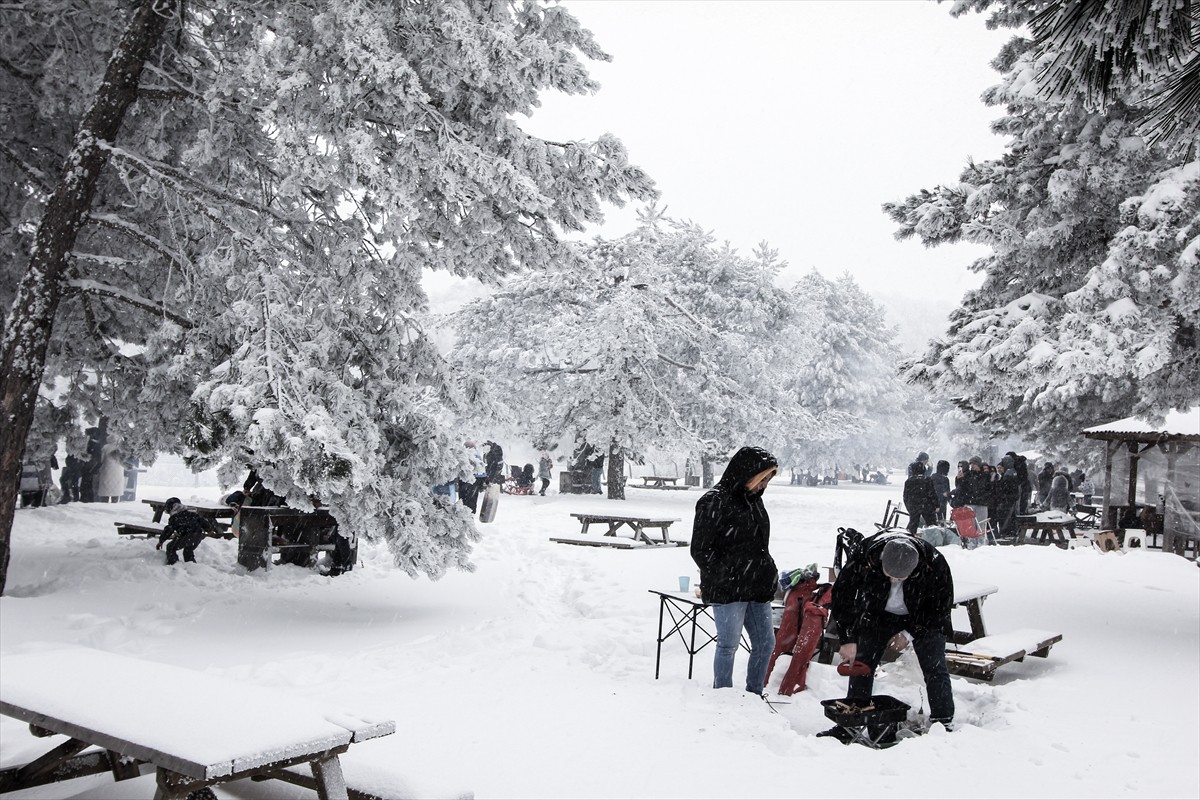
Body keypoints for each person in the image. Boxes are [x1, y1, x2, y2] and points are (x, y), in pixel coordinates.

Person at [825, 530, 955, 738]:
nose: (894, 580)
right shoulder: (865, 555)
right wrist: (847, 639)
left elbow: (940, 608)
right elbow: (843, 596)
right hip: (877, 614)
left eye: (900, 577)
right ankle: (852, 723)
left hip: (921, 617)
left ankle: (943, 722)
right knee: (862, 665)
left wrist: (909, 633)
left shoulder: (934, 564)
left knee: (934, 667)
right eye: (889, 575)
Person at [689, 446, 779, 694]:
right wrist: (727, 576)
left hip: (757, 586)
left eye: (768, 480)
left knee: (764, 643)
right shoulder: (713, 501)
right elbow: (701, 550)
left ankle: (754, 694)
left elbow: (759, 545)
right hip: (728, 588)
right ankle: (724, 697)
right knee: (728, 644)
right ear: (747, 474)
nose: (764, 486)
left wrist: (767, 572)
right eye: (762, 479)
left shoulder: (754, 502)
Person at [156, 497, 220, 565]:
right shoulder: (191, 513)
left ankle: (174, 565)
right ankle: (192, 566)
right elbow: (202, 520)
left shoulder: (174, 518)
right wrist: (209, 530)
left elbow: (168, 530)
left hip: (187, 536)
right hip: (198, 535)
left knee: (170, 547)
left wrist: (161, 541)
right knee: (188, 550)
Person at [902, 461, 939, 532]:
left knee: (913, 524)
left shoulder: (908, 481)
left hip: (914, 506)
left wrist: (909, 508)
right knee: (932, 525)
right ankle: (934, 539)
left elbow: (905, 496)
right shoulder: (927, 480)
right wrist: (936, 505)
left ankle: (911, 537)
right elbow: (932, 494)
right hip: (927, 506)